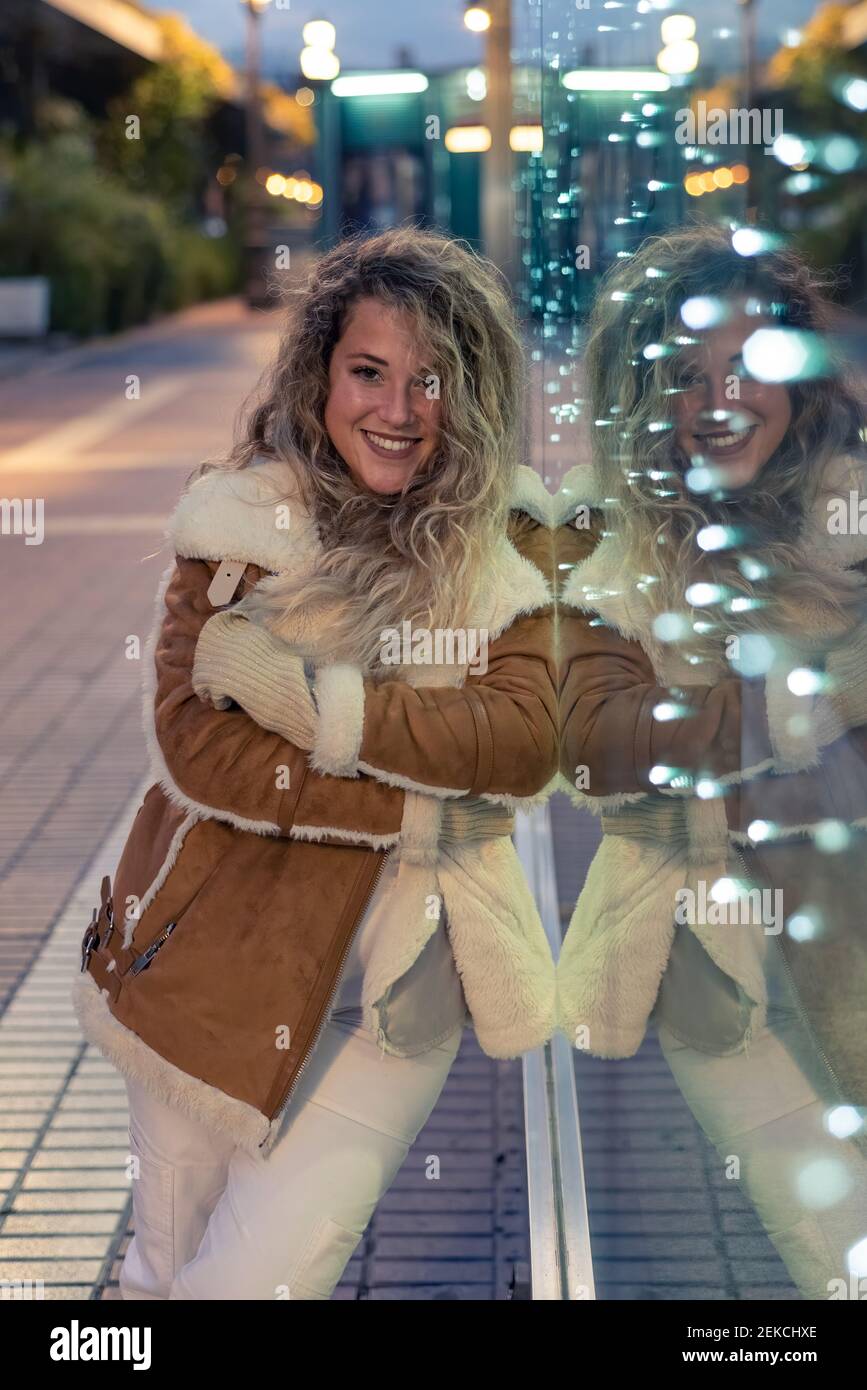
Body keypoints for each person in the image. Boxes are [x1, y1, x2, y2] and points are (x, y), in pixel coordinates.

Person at [73, 227, 559, 1300]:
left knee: (251, 1282)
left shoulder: (508, 542)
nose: (396, 409)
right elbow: (200, 750)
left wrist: (311, 704)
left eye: (429, 379)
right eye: (368, 372)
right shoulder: (240, 521)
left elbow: (521, 738)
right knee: (160, 1269)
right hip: (216, 952)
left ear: (469, 389)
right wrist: (430, 795)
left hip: (398, 985)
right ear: (321, 375)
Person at [554, 223, 867, 1300]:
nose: (720, 399)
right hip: (723, 979)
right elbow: (598, 744)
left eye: (746, 365)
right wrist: (797, 701)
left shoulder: (853, 513)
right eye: (685, 375)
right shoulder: (610, 549)